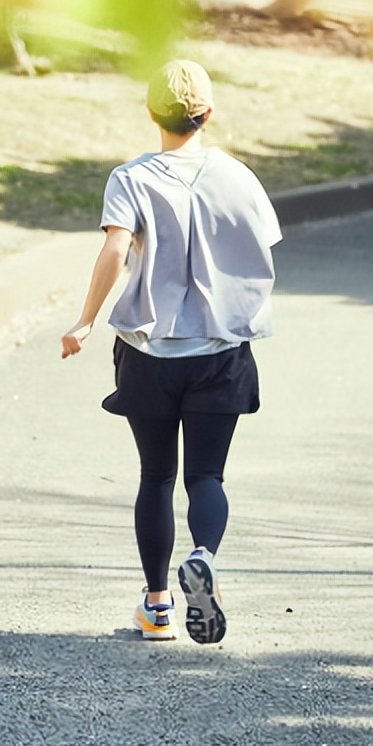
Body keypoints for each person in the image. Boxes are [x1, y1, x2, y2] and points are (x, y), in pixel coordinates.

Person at [60, 59, 281, 644]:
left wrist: (85, 321)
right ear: (208, 113)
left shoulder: (130, 179)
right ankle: (203, 555)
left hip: (148, 351)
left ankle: (157, 608)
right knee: (207, 474)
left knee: (156, 476)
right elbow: (261, 253)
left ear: (151, 112)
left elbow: (114, 250)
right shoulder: (239, 178)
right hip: (220, 350)